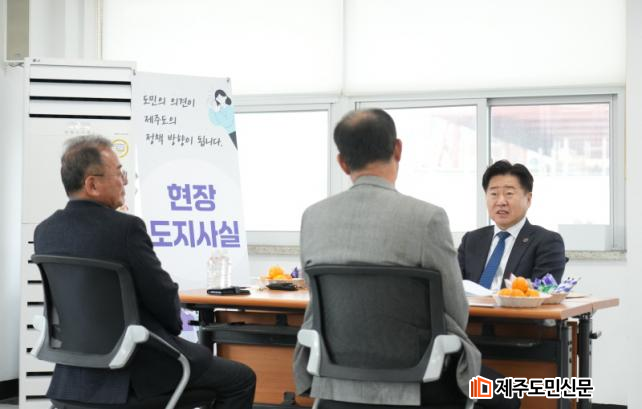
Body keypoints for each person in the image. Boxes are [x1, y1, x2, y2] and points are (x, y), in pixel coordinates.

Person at [293, 109, 517, 408]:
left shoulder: (313, 218)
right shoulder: (427, 219)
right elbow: (456, 312)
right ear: (398, 149)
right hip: (421, 381)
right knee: (507, 395)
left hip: (335, 381)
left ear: (342, 162)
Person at [34, 135, 256, 409]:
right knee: (241, 379)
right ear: (92, 184)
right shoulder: (125, 228)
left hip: (73, 377)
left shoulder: (45, 232)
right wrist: (174, 325)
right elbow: (162, 297)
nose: (125, 181)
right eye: (119, 173)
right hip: (138, 371)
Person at [458, 160, 566, 290]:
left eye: (509, 194)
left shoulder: (547, 242)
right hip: (470, 304)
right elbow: (452, 286)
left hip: (514, 304)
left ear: (528, 199)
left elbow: (543, 292)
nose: (501, 201)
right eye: (494, 194)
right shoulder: (471, 240)